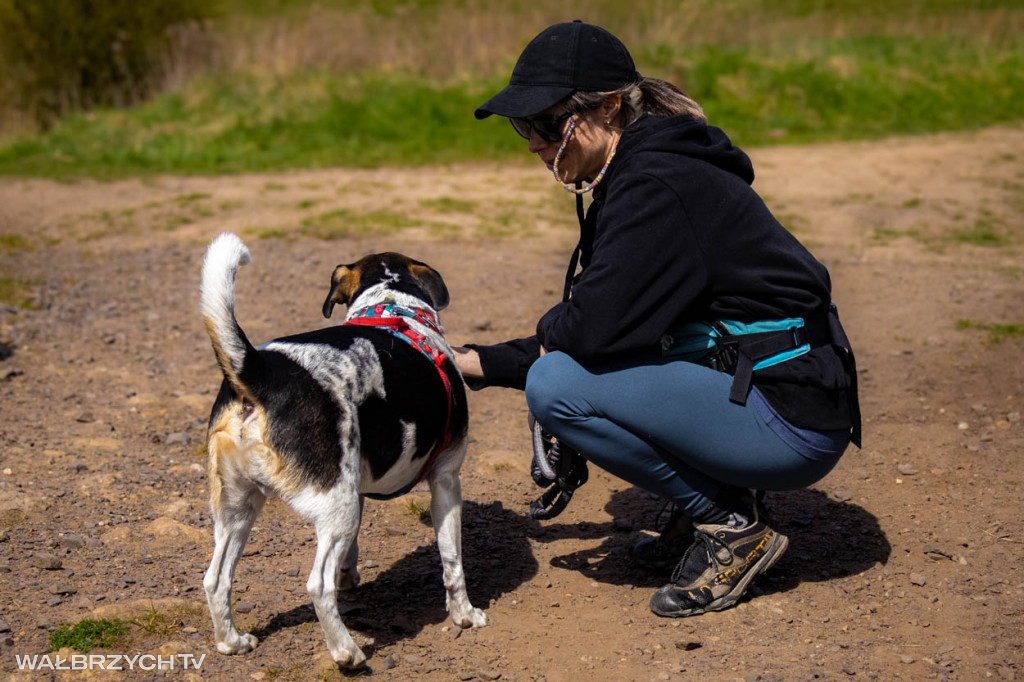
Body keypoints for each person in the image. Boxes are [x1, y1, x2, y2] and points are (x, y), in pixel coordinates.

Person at [452, 20, 860, 618]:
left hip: (792, 419)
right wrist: (484, 360)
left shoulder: (656, 184)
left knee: (555, 386)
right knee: (585, 363)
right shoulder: (642, 169)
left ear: (611, 107)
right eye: (523, 125)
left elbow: (589, 331)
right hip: (780, 387)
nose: (534, 142)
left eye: (545, 123)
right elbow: (613, 325)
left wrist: (496, 364)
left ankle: (731, 526)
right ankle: (720, 502)